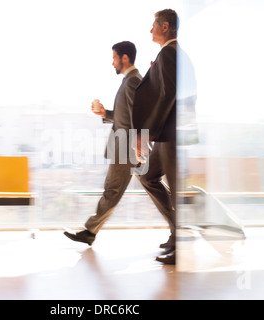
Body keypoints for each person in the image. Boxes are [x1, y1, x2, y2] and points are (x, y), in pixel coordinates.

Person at [64, 41, 143, 246]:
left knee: (113, 190)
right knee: (152, 187)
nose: (112, 63)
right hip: (128, 146)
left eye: (114, 58)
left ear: (125, 58)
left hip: (127, 147)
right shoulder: (129, 80)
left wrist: (138, 142)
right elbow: (125, 115)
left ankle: (90, 231)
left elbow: (139, 115)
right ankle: (176, 225)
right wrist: (105, 113)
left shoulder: (133, 80)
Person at [131, 9, 180, 265]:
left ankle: (180, 241)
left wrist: (147, 130)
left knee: (175, 190)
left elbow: (169, 95)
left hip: (168, 134)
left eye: (153, 26)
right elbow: (164, 90)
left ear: (164, 27)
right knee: (148, 176)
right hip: (165, 134)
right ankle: (176, 232)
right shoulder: (166, 55)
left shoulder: (171, 53)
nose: (150, 30)